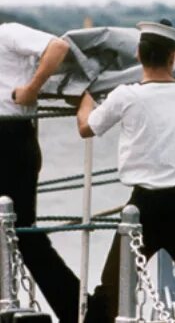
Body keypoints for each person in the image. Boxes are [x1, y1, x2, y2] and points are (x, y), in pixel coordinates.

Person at [78, 20, 175, 323]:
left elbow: (87, 127)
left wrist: (84, 99)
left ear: (138, 54)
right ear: (172, 57)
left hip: (144, 207)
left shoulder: (126, 95)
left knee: (112, 288)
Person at [0, 24, 80, 323]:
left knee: (23, 234)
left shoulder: (7, 33)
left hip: (9, 136)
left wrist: (32, 89)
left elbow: (58, 47)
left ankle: (78, 310)